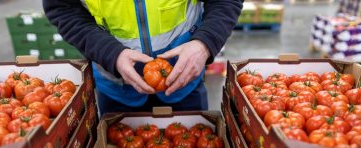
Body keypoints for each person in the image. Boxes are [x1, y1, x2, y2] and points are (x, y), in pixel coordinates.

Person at [43, 0, 243, 114]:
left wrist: (204, 44)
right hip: (116, 88)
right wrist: (110, 53)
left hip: (184, 80)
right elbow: (63, 8)